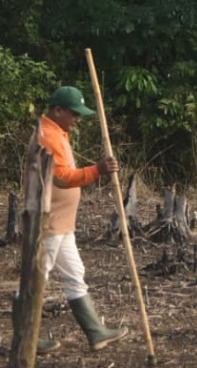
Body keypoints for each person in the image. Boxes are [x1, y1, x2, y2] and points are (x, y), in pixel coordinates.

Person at [35, 85, 128, 352]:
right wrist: (97, 170)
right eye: (74, 114)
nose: (78, 120)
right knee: (37, 278)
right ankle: (27, 336)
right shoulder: (47, 137)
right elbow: (61, 178)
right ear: (58, 110)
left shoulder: (58, 132)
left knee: (75, 274)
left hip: (62, 222)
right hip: (47, 222)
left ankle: (95, 332)